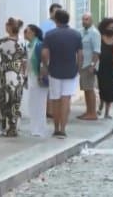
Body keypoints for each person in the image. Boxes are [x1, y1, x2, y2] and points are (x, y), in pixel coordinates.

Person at [41, 10, 82, 138]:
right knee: (66, 100)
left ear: (56, 20)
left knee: (55, 100)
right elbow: (80, 55)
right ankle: (63, 129)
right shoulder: (76, 35)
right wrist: (78, 68)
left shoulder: (50, 35)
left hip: (54, 70)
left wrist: (46, 66)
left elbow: (44, 53)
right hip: (70, 71)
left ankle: (56, 127)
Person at [0, 18, 27, 137]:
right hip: (18, 76)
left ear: (9, 27)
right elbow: (25, 61)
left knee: (5, 101)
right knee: (16, 101)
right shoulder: (22, 42)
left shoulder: (4, 42)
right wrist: (24, 76)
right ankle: (14, 127)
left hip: (7, 76)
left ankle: (4, 127)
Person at [24, 24, 48, 137]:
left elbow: (43, 61)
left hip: (39, 77)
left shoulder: (38, 45)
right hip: (31, 77)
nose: (24, 33)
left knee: (40, 104)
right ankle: (34, 127)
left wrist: (41, 75)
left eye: (26, 31)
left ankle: (39, 128)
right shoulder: (29, 45)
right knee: (33, 103)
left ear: (33, 32)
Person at [40, 3, 62, 119]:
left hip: (58, 59)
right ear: (51, 12)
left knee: (55, 86)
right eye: (56, 11)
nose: (58, 13)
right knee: (49, 85)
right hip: (49, 58)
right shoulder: (46, 25)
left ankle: (52, 110)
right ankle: (49, 110)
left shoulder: (60, 25)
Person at [78, 13, 100, 120]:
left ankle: (93, 113)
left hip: (89, 65)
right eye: (83, 19)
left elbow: (96, 51)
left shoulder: (94, 33)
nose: (84, 21)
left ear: (91, 20)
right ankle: (88, 111)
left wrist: (92, 65)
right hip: (83, 65)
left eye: (86, 19)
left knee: (90, 89)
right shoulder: (82, 32)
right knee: (86, 89)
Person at [97, 18, 113, 119]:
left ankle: (107, 112)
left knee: (110, 89)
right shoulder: (100, 38)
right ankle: (101, 104)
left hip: (110, 66)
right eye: (109, 27)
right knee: (102, 88)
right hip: (101, 66)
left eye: (112, 27)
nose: (111, 29)